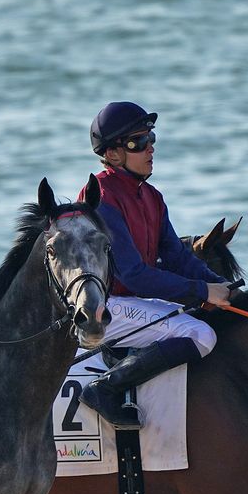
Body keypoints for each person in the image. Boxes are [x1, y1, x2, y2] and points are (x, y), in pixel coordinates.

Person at [77, 101, 234, 429]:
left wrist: (222, 288)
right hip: (103, 306)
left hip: (131, 303)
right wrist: (203, 290)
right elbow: (134, 276)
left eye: (151, 139)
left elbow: (177, 257)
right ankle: (106, 388)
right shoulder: (102, 197)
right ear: (114, 154)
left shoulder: (152, 196)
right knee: (201, 335)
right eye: (139, 142)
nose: (151, 148)